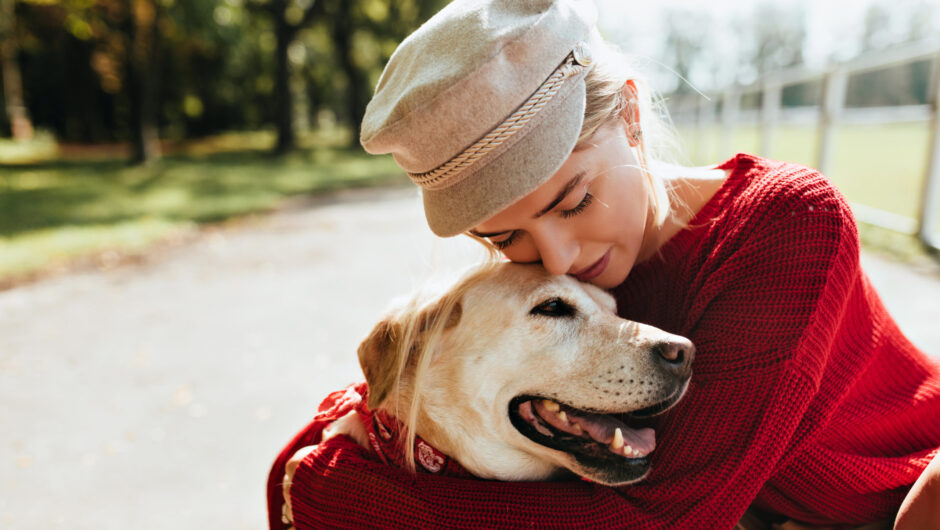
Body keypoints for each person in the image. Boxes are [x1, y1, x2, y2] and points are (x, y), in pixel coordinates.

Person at [266, 0, 940, 528]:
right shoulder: (573, 308)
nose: (558, 258)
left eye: (575, 200)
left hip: (903, 490)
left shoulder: (787, 224)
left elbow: (663, 519)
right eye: (505, 239)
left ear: (633, 115)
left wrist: (351, 500)